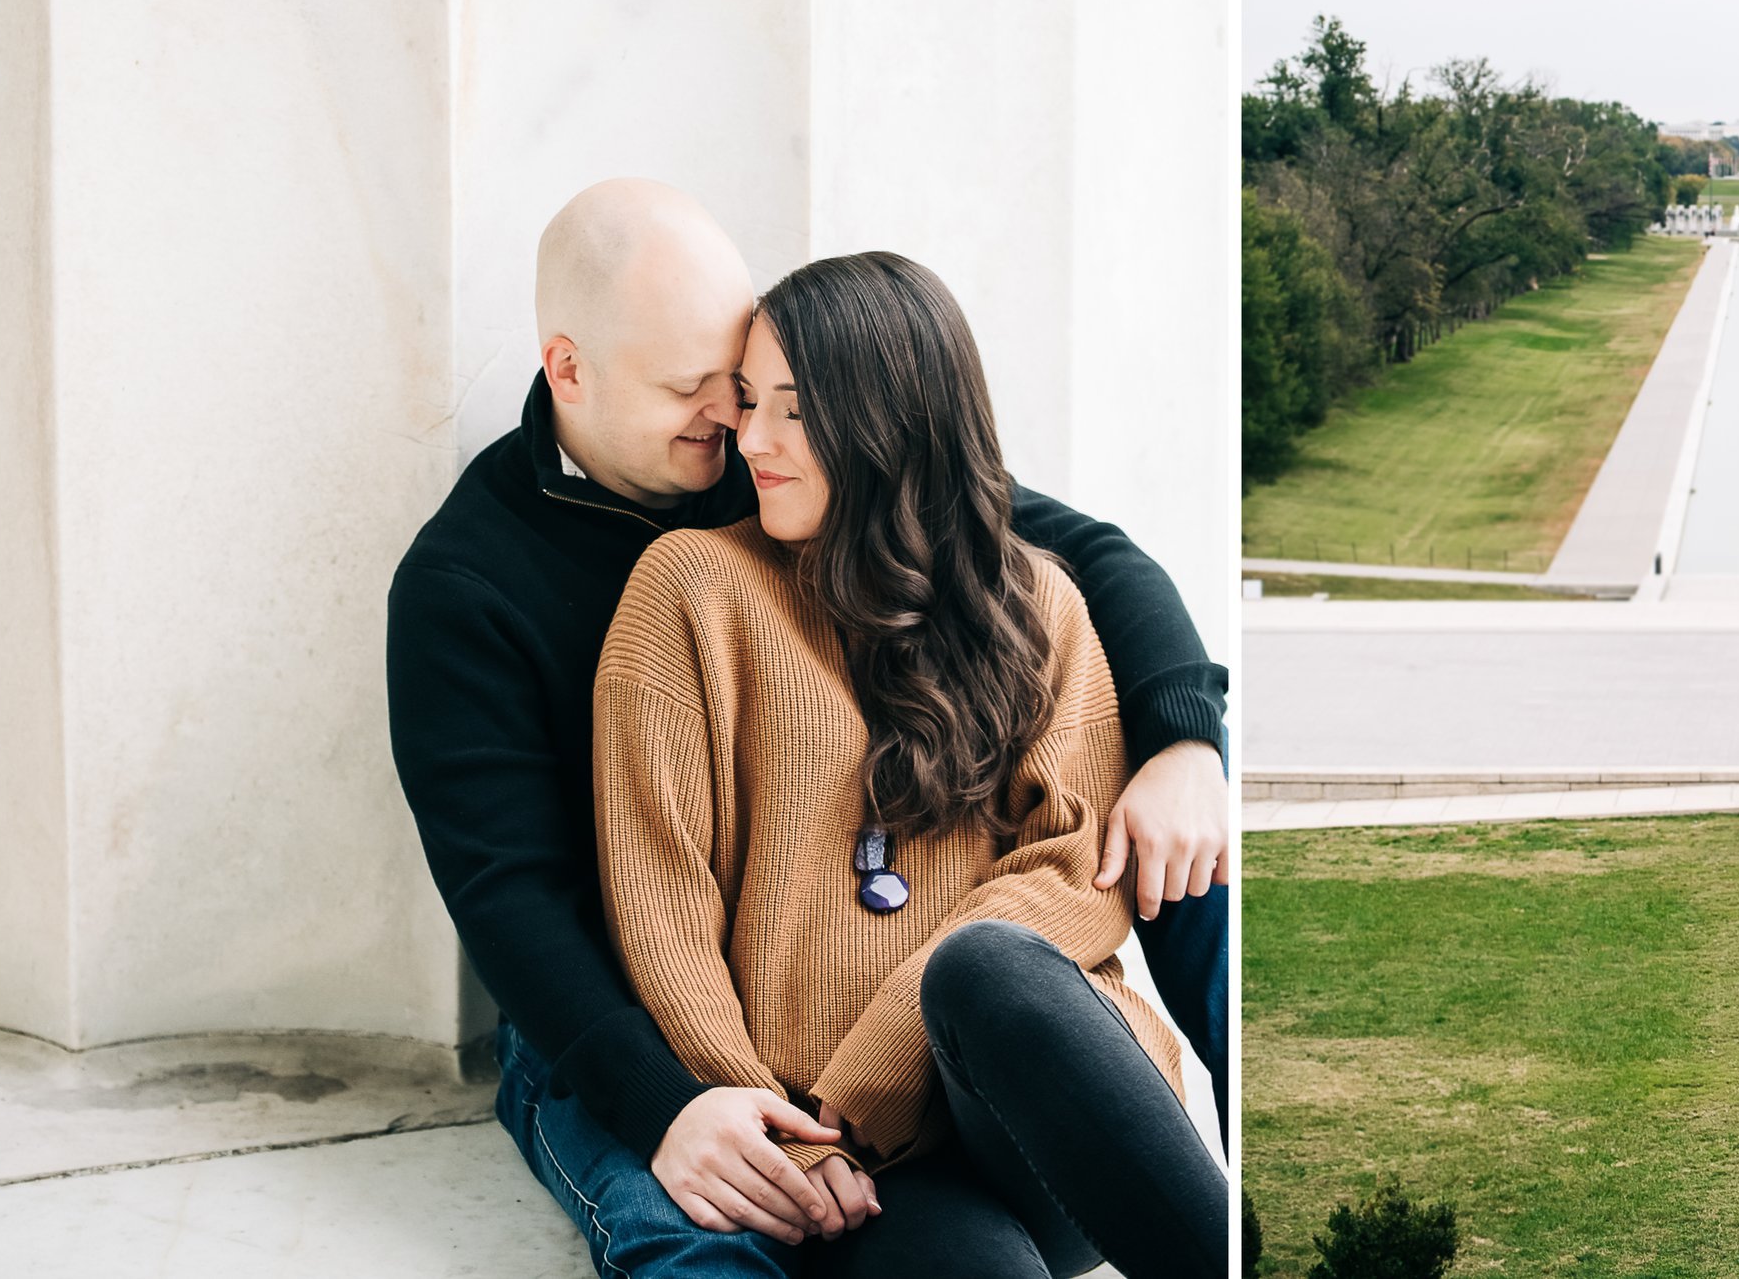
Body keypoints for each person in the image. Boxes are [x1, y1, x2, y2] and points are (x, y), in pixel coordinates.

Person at [388, 182, 1229, 1278]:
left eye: (756, 391)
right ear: (569, 370)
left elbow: (1091, 561)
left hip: (949, 1043)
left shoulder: (825, 492)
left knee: (1163, 837)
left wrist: (1184, 742)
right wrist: (689, 1105)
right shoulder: (478, 584)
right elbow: (515, 897)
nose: (737, 428)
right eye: (705, 391)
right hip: (621, 1011)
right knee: (720, 1231)